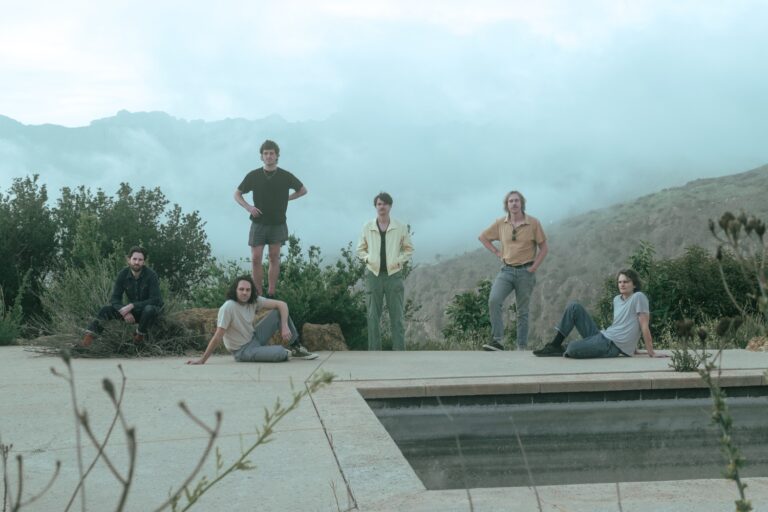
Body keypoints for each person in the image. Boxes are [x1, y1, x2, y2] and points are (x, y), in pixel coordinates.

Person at [533, 269, 666, 358]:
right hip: (603, 336)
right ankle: (555, 345)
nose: (622, 284)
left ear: (634, 284)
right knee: (574, 307)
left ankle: (566, 348)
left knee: (572, 349)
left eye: (626, 282)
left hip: (611, 346)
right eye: (620, 282)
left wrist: (651, 352)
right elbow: (622, 324)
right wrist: (633, 348)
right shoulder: (617, 300)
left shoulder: (639, 297)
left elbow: (643, 326)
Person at [187, 275, 318, 364]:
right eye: (241, 289)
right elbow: (217, 336)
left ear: (251, 291)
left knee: (278, 313)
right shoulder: (228, 307)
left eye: (248, 290)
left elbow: (282, 304)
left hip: (254, 337)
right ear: (235, 290)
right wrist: (202, 360)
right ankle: (278, 352)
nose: (245, 292)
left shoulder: (253, 301)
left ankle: (296, 348)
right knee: (280, 353)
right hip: (242, 351)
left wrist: (284, 325)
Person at [234, 140, 307, 297]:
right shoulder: (253, 175)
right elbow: (237, 194)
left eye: (271, 153)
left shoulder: (285, 176)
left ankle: (272, 292)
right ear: (261, 156)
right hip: (258, 222)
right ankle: (258, 293)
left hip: (278, 222)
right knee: (256, 258)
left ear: (276, 155)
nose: (268, 156)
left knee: (274, 257)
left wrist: (287, 198)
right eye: (265, 153)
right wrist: (249, 207)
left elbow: (302, 190)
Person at [478, 190, 548, 351]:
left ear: (522, 203)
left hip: (526, 271)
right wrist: (496, 252)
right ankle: (498, 341)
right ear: (506, 205)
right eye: (511, 201)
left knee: (522, 311)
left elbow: (544, 248)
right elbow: (482, 237)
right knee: (494, 300)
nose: (514, 203)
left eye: (517, 200)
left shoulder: (533, 223)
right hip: (507, 270)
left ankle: (521, 346)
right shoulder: (501, 223)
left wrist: (534, 267)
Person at [356, 192, 414, 350]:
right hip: (373, 275)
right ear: (375, 206)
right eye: (379, 204)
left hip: (393, 275)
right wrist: (368, 259)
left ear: (390, 206)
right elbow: (360, 249)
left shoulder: (400, 227)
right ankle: (374, 352)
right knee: (373, 316)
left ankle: (399, 352)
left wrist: (398, 261)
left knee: (397, 317)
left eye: (385, 204)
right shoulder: (367, 226)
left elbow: (409, 249)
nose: (382, 207)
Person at [82, 246, 163, 346]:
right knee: (106, 310)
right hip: (132, 313)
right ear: (128, 260)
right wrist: (124, 312)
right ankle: (87, 342)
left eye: (140, 260)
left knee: (149, 309)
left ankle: (138, 339)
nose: (137, 262)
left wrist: (133, 305)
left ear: (144, 262)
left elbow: (156, 300)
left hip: (149, 313)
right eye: (134, 259)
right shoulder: (123, 274)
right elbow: (115, 299)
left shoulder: (151, 275)